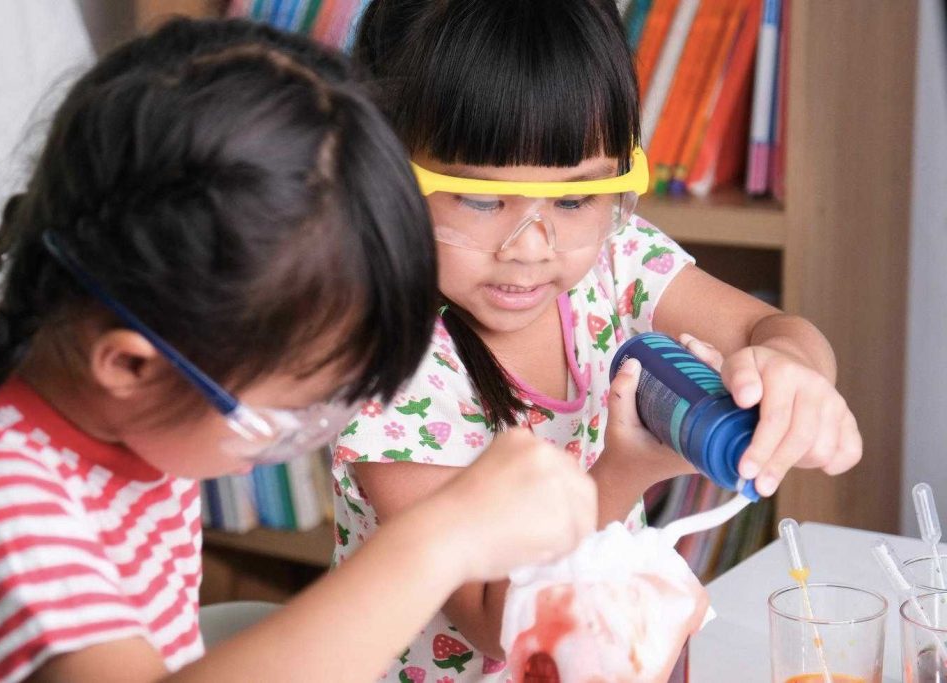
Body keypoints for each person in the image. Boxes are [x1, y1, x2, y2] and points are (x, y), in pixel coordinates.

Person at [0, 18, 598, 683]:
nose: (283, 450)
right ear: (129, 364)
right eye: (279, 424)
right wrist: (441, 536)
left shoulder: (114, 392)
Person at [331, 1, 864, 679]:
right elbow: (496, 621)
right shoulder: (387, 358)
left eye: (577, 198)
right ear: (386, 176)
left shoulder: (612, 261)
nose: (531, 247)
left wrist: (790, 370)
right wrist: (625, 472)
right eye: (483, 199)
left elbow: (773, 330)